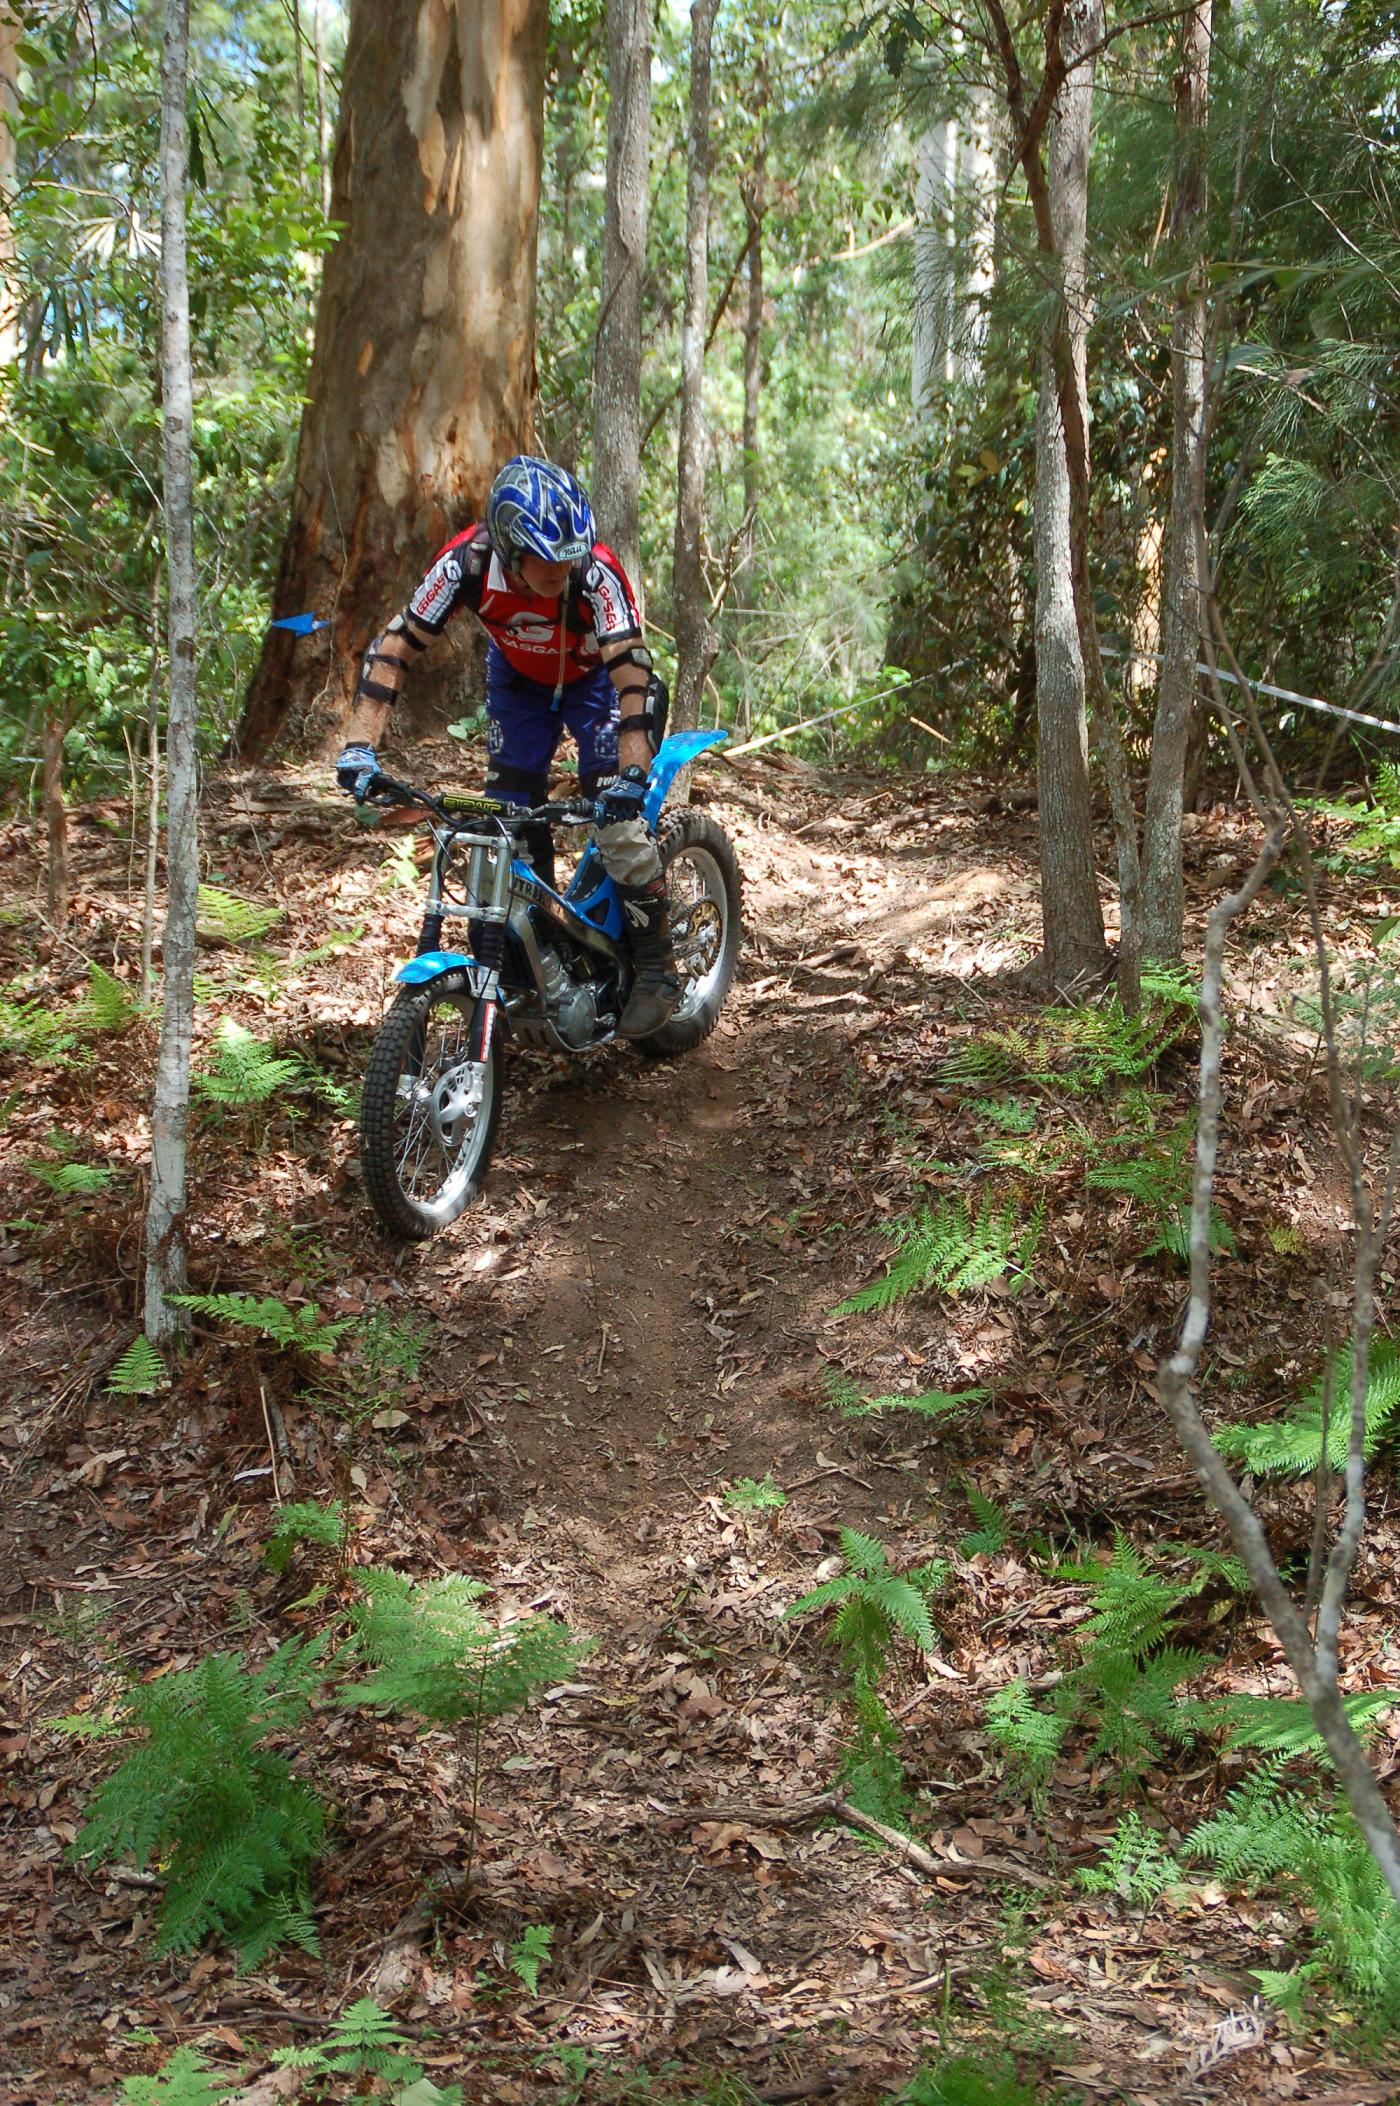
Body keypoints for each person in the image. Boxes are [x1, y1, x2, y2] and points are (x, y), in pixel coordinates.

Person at [335, 456, 678, 1035]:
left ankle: (656, 966)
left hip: (596, 682)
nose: (562, 571)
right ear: (509, 552)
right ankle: (530, 971)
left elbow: (632, 673)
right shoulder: (464, 564)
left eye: (570, 557)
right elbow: (395, 645)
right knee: (508, 825)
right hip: (518, 684)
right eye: (547, 562)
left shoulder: (595, 570)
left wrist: (632, 776)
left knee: (617, 825)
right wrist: (359, 748)